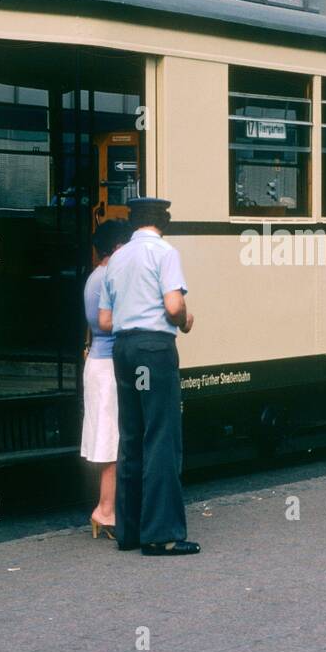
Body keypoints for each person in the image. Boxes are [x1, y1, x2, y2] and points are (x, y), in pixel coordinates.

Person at [98, 197, 199, 556]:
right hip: (153, 350)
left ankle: (130, 532)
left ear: (133, 222)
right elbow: (173, 306)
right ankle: (162, 535)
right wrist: (185, 319)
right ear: (163, 221)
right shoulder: (165, 252)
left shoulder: (118, 257)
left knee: (133, 436)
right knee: (162, 437)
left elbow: (105, 320)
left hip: (123, 350)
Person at [81, 219, 132, 539]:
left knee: (110, 439)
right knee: (112, 441)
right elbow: (110, 323)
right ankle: (105, 510)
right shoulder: (109, 277)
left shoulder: (94, 277)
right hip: (107, 366)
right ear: (117, 248)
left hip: (99, 363)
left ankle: (108, 508)